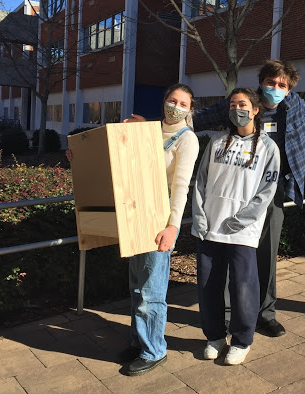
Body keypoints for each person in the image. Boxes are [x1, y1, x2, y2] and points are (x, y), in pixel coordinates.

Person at [194, 60, 305, 337]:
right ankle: (224, 315)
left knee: (266, 255)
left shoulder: (295, 106)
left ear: (289, 89)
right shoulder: (241, 104)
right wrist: (160, 121)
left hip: (272, 193)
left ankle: (264, 314)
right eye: (271, 83)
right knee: (226, 251)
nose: (275, 88)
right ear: (262, 83)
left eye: (282, 85)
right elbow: (199, 118)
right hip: (234, 192)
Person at [192, 88, 280, 364]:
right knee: (209, 286)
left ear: (255, 109)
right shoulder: (217, 142)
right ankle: (215, 336)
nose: (236, 109)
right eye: (232, 104)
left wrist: (241, 220)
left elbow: (267, 191)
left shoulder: (268, 147)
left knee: (243, 287)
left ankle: (242, 340)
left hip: (242, 231)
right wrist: (199, 216)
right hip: (210, 227)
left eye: (242, 104)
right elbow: (200, 181)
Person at [120, 84, 199, 374]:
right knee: (136, 286)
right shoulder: (150, 131)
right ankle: (138, 341)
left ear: (190, 111)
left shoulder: (187, 140)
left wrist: (172, 226)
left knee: (152, 290)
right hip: (138, 212)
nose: (175, 106)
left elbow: (180, 187)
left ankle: (154, 350)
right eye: (171, 100)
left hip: (160, 215)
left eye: (182, 103)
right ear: (164, 101)